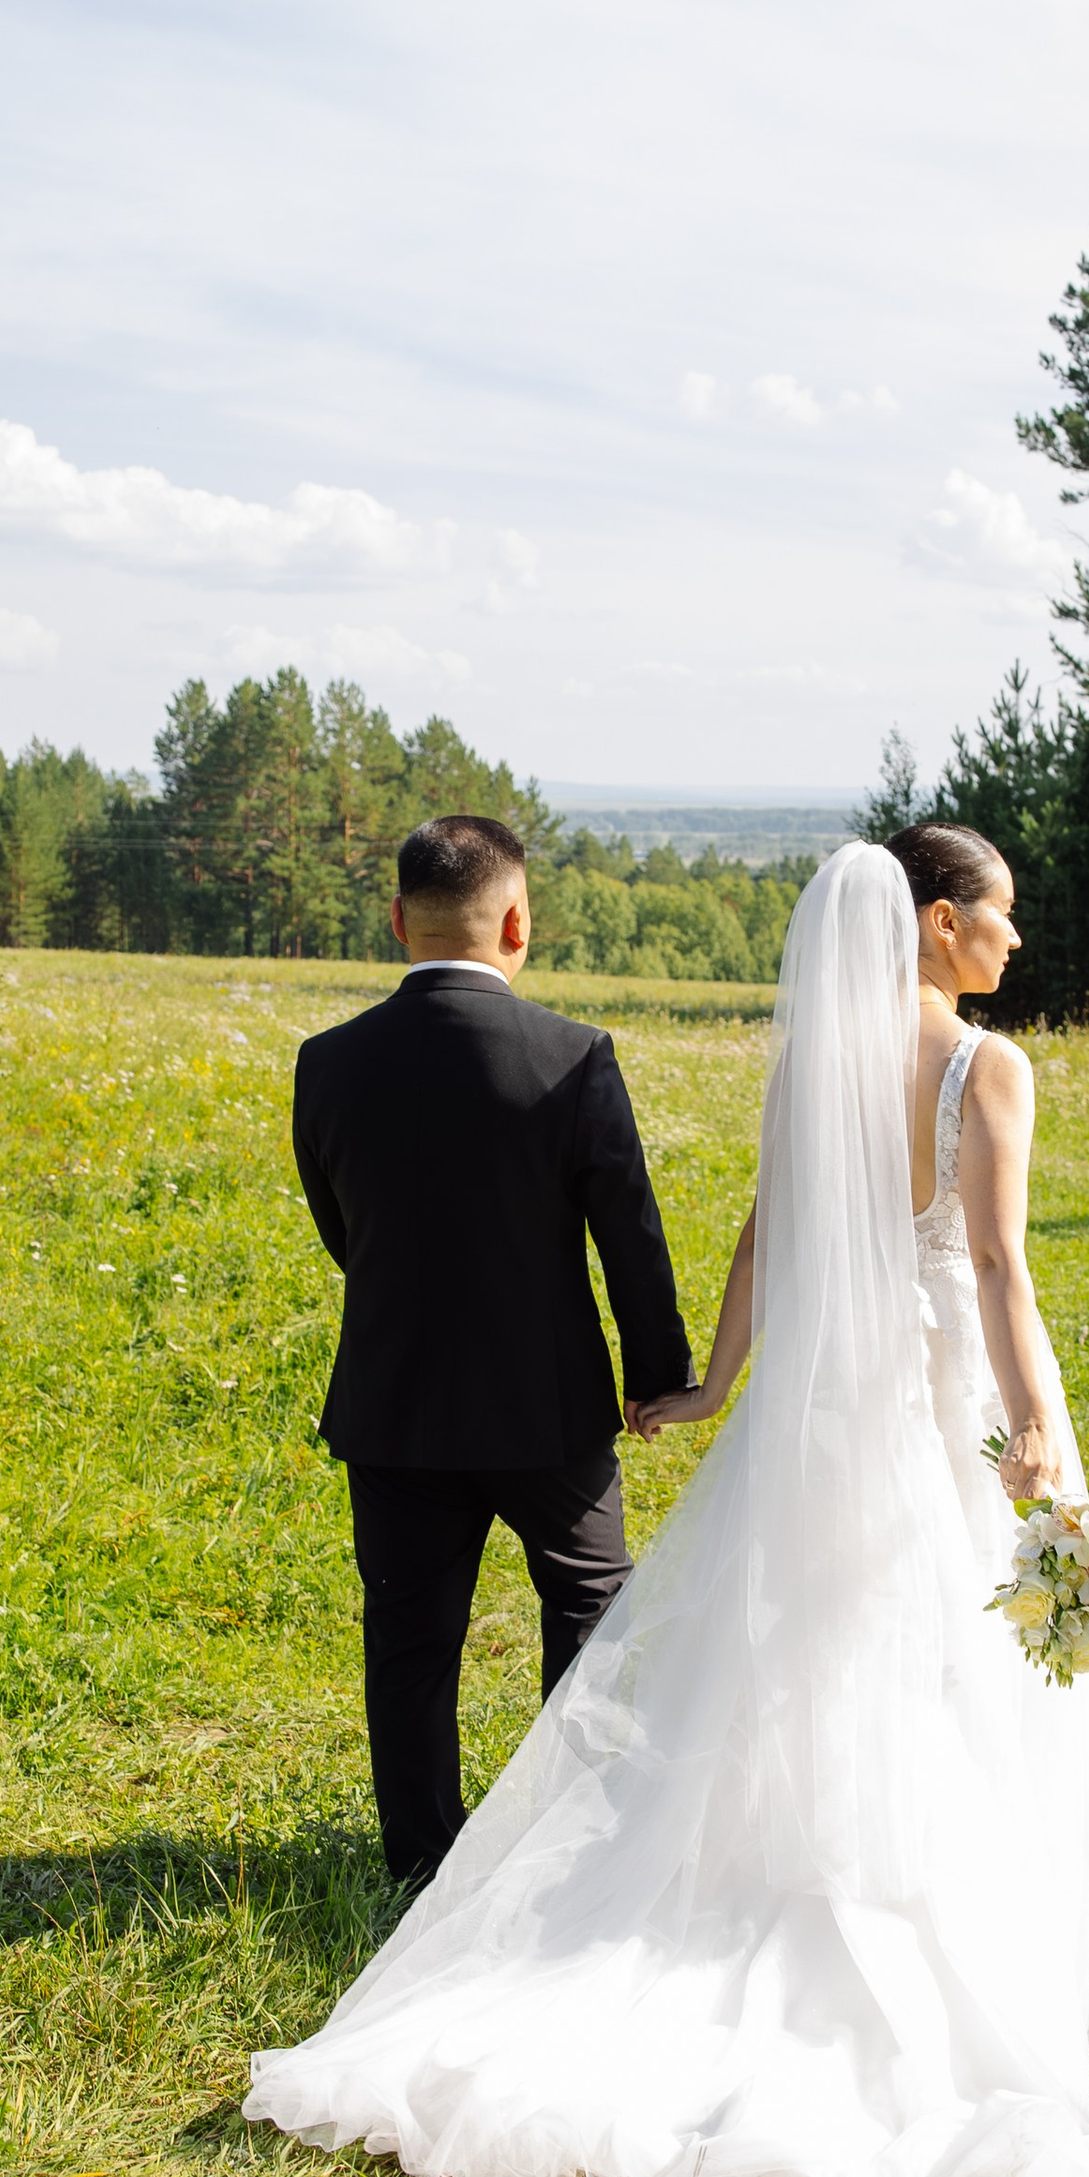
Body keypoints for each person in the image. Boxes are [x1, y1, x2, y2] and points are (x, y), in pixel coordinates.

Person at [246, 826, 1089, 2177]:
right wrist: (1032, 1426)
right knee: (935, 1643)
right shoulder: (988, 1069)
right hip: (944, 1394)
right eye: (1003, 917)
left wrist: (716, 1382)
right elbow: (1000, 1267)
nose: (1015, 942)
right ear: (939, 923)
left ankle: (653, 1862)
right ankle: (914, 1898)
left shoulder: (814, 1068)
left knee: (808, 1635)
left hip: (820, 1412)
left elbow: (767, 1236)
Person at [288, 809, 698, 1892]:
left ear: (396, 921)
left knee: (411, 1638)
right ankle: (569, 1837)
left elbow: (344, 1231)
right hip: (546, 1407)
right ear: (516, 920)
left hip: (395, 1400)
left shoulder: (326, 1064)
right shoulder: (572, 1058)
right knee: (589, 1606)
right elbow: (630, 1236)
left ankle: (421, 1860)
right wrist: (657, 1375)